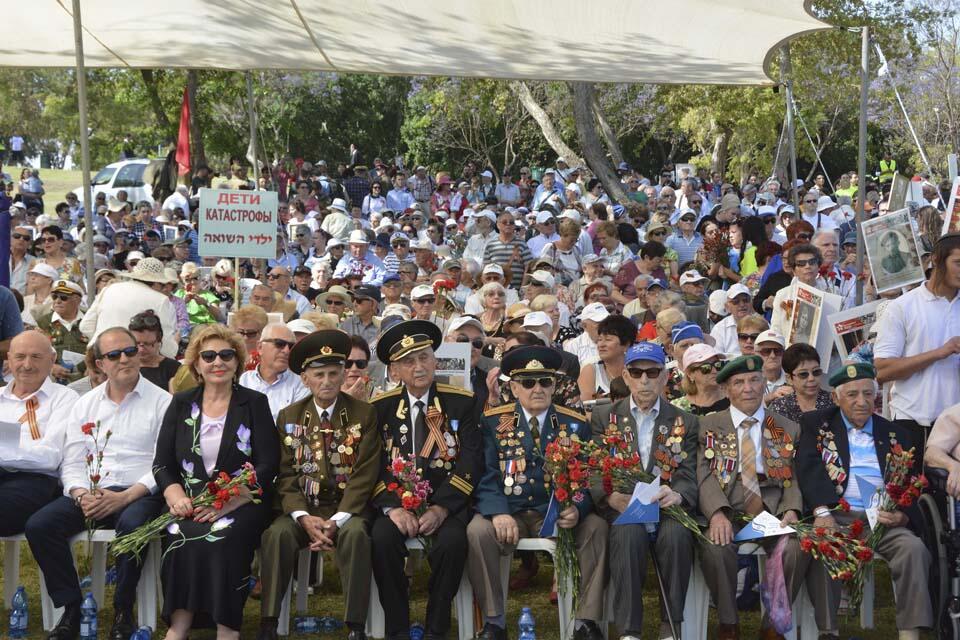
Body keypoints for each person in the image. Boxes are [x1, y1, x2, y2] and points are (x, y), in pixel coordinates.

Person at [26, 327, 171, 640]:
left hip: (140, 492)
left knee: (133, 526)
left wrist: (126, 496)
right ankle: (73, 608)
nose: (124, 359)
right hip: (92, 491)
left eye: (130, 351)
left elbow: (164, 464)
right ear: (100, 363)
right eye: (114, 355)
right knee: (41, 525)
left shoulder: (163, 402)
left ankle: (123, 610)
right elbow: (73, 461)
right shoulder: (86, 403)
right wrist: (80, 494)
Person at [469, 346, 607, 640]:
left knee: (595, 526)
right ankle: (494, 621)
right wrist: (497, 511)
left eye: (545, 382)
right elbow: (486, 473)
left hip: (557, 513)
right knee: (478, 530)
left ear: (555, 385)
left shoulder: (574, 423)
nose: (538, 389)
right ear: (514, 387)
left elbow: (588, 474)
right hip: (512, 511)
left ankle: (586, 621)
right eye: (529, 383)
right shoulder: (494, 422)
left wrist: (577, 508)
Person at [153, 324, 280, 639]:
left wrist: (230, 499)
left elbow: (268, 463)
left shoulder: (253, 402)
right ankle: (179, 624)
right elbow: (162, 463)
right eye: (208, 356)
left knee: (223, 536)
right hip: (192, 501)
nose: (217, 362)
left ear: (238, 361)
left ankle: (227, 627)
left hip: (244, 500)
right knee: (177, 532)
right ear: (196, 363)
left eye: (226, 355)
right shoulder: (182, 402)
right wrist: (175, 496)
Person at [256, 330, 379, 640]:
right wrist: (302, 516)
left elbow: (365, 473)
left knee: (355, 537)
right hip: (304, 509)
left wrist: (337, 520)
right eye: (319, 374)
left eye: (333, 373)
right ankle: (269, 622)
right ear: (305, 379)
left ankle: (355, 626)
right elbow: (285, 475)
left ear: (342, 375)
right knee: (276, 535)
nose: (327, 381)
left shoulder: (364, 414)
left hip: (347, 510)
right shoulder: (290, 416)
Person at [797, 362, 932, 638]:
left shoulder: (897, 434)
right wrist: (822, 511)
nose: (862, 402)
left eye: (868, 394)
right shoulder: (816, 424)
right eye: (853, 395)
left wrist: (902, 515)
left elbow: (911, 484)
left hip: (883, 519)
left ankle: (910, 631)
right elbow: (809, 469)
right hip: (836, 515)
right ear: (836, 397)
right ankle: (828, 630)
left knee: (914, 549)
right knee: (824, 545)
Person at [369, 320, 482, 640]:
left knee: (452, 543)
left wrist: (442, 509)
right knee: (381, 540)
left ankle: (436, 626)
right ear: (394, 371)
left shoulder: (462, 402)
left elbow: (472, 459)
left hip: (445, 503)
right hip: (396, 506)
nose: (418, 367)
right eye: (408, 361)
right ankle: (397, 628)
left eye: (424, 358)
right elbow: (373, 465)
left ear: (436, 361)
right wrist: (392, 508)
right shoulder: (380, 408)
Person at [588, 343, 698, 639]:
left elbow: (688, 474)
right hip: (624, 506)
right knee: (627, 534)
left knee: (676, 536)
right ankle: (628, 631)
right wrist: (610, 497)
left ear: (665, 377)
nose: (645, 380)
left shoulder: (685, 421)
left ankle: (669, 626)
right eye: (637, 372)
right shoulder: (604, 417)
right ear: (626, 376)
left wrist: (678, 495)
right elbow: (595, 467)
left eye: (653, 372)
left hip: (667, 507)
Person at [696, 355, 808, 640]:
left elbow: (792, 476)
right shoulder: (709, 425)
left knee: (795, 544)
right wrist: (716, 513)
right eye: (739, 382)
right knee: (715, 545)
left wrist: (792, 509)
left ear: (764, 383)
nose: (748, 388)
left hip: (770, 510)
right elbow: (704, 474)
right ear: (726, 389)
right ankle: (728, 623)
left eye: (754, 380)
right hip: (729, 508)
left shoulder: (784, 426)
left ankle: (772, 623)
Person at [875, 233, 960, 457]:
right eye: (958, 263)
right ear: (936, 260)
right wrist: (940, 352)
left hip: (956, 427)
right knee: (911, 492)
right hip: (912, 422)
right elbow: (883, 370)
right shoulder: (903, 307)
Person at [0, 330, 79, 536]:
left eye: (36, 357)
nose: (27, 365)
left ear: (52, 359)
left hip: (34, 481)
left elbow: (50, 457)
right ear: (8, 358)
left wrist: (3, 452)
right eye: (19, 357)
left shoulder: (65, 398)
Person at [81, 257, 179, 359]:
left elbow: (85, 326)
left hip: (98, 356)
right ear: (157, 283)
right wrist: (175, 344)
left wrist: (104, 343)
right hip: (130, 361)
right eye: (162, 285)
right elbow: (166, 346)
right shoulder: (160, 300)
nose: (163, 289)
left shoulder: (109, 289)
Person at [239, 324, 310, 420]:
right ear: (260, 347)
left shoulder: (301, 384)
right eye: (279, 344)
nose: (286, 351)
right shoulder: (242, 380)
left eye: (291, 346)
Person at [35, 279, 87, 384]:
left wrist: (92, 367)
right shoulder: (43, 322)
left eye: (63, 298)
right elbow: (34, 352)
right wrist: (51, 367)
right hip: (53, 380)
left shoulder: (89, 319)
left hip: (86, 379)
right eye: (54, 297)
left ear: (77, 300)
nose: (57, 301)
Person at [578, 314, 635, 402]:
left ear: (626, 344)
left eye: (608, 340)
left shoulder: (637, 370)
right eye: (600, 340)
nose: (601, 345)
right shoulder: (591, 370)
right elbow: (585, 408)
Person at [129, 310, 181, 391]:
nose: (141, 349)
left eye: (148, 344)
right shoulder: (124, 366)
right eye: (137, 343)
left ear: (159, 339)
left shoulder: (174, 369)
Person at [673, 343, 729, 416]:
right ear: (690, 374)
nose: (714, 371)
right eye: (706, 368)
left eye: (718, 364)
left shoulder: (734, 397)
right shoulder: (677, 408)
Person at [708, 283, 754, 355]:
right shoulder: (719, 329)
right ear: (727, 307)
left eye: (745, 300)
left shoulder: (763, 324)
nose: (742, 304)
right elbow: (715, 356)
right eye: (736, 302)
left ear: (751, 303)